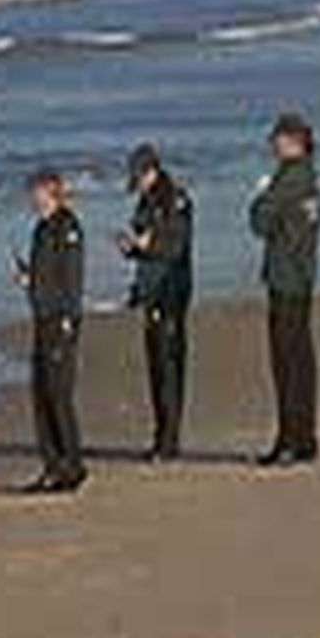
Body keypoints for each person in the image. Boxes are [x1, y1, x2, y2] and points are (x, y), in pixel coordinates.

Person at [249, 113, 320, 467]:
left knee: (287, 361)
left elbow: (260, 221)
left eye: (277, 139)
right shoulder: (309, 177)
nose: (273, 145)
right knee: (302, 360)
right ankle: (304, 436)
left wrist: (262, 196)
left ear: (292, 141)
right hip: (302, 275)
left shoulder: (290, 178)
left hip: (285, 277)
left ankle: (290, 440)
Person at [118, 145, 194, 461]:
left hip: (170, 291)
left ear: (151, 171)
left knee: (168, 367)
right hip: (151, 291)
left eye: (139, 175)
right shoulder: (147, 198)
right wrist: (132, 248)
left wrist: (150, 243)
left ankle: (169, 441)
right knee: (156, 366)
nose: (137, 182)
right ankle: (161, 436)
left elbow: (176, 245)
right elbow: (149, 245)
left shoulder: (175, 199)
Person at [14, 170, 88, 494]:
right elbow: (47, 276)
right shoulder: (42, 229)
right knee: (41, 395)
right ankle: (53, 466)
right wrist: (29, 280)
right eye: (32, 194)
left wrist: (69, 320)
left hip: (59, 321)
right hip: (42, 318)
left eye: (38, 193)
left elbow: (72, 279)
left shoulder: (67, 227)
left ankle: (71, 465)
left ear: (52, 193)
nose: (33, 199)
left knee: (58, 395)